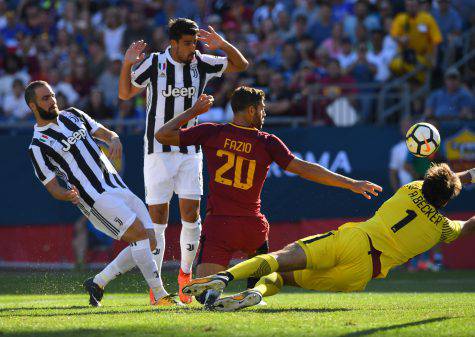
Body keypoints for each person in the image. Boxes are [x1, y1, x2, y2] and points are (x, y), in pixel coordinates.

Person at [155, 86, 383, 308]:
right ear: (251, 111)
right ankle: (253, 291)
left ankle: (217, 295)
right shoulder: (267, 142)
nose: (265, 113)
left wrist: (193, 112)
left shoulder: (213, 132)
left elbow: (162, 135)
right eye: (262, 109)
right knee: (261, 280)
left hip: (219, 226)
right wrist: (351, 183)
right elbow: (305, 169)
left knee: (204, 297)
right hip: (252, 227)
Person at [184, 163, 475, 311]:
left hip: (356, 241)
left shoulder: (410, 189)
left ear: (427, 182)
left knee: (279, 259)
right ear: (448, 200)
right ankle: (257, 294)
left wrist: (470, 174)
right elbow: (468, 224)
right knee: (284, 280)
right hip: (362, 275)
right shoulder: (444, 228)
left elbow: (445, 181)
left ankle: (225, 278)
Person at [118, 18, 249, 304]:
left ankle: (185, 276)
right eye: (188, 44)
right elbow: (125, 93)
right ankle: (156, 288)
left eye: (195, 43)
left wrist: (223, 44)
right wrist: (127, 63)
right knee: (159, 221)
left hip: (190, 152)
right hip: (157, 152)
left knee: (192, 215)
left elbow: (241, 65)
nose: (193, 48)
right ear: (173, 43)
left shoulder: (200, 62)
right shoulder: (154, 63)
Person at [26, 81, 179, 307]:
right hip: (94, 197)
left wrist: (114, 138)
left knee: (151, 239)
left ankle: (98, 281)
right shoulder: (38, 145)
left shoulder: (73, 115)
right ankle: (160, 295)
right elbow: (52, 187)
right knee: (139, 235)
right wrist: (66, 194)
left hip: (116, 184)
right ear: (33, 106)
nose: (52, 101)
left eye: (52, 96)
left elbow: (104, 132)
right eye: (45, 99)